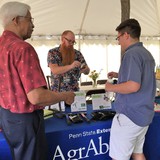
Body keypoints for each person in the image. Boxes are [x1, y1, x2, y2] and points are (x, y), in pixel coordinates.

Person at [0, 2, 75, 160]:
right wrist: (65, 95)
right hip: (25, 121)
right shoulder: (23, 48)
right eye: (30, 19)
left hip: (7, 117)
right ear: (16, 20)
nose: (33, 25)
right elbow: (36, 96)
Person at [105, 19, 156, 160]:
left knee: (119, 157)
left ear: (126, 35)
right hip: (143, 115)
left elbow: (133, 85)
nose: (118, 41)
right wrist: (119, 75)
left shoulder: (131, 54)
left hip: (129, 116)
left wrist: (111, 87)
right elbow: (143, 79)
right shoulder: (146, 54)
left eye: (118, 37)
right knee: (137, 153)